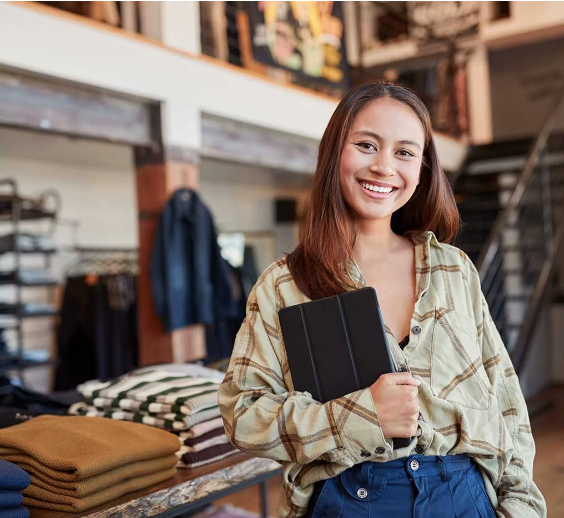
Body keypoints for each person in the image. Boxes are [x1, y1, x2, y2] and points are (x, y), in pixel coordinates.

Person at [218, 80, 546, 518]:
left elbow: (505, 394)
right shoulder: (284, 284)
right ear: (335, 152)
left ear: (423, 168)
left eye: (405, 152)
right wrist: (361, 415)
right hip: (351, 498)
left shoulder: (453, 269)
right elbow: (243, 413)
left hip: (464, 494)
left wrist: (522, 503)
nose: (384, 167)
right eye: (367, 145)